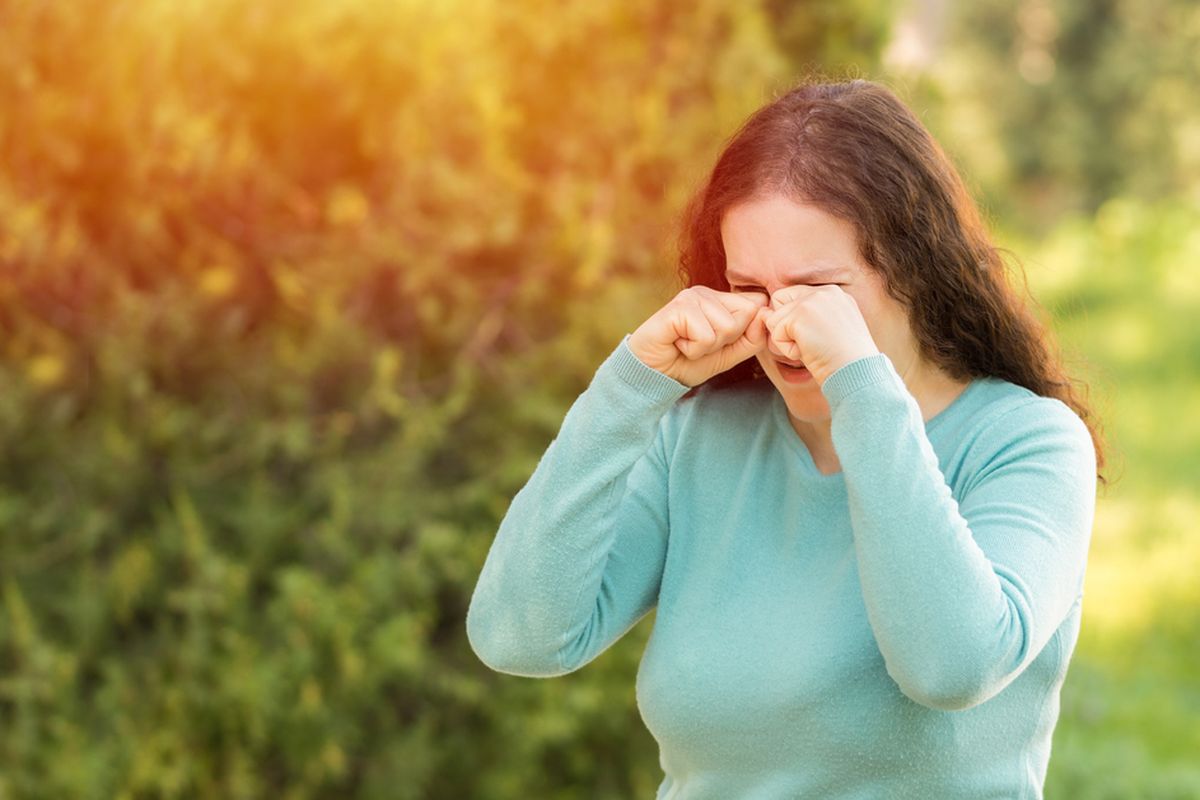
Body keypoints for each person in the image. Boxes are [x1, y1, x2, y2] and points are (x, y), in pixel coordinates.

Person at [465, 78, 1105, 799]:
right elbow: (520, 637)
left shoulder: (1026, 442)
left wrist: (860, 388)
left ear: (913, 271)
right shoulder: (700, 440)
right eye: (752, 288)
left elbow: (951, 668)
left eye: (817, 289)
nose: (780, 326)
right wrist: (629, 389)